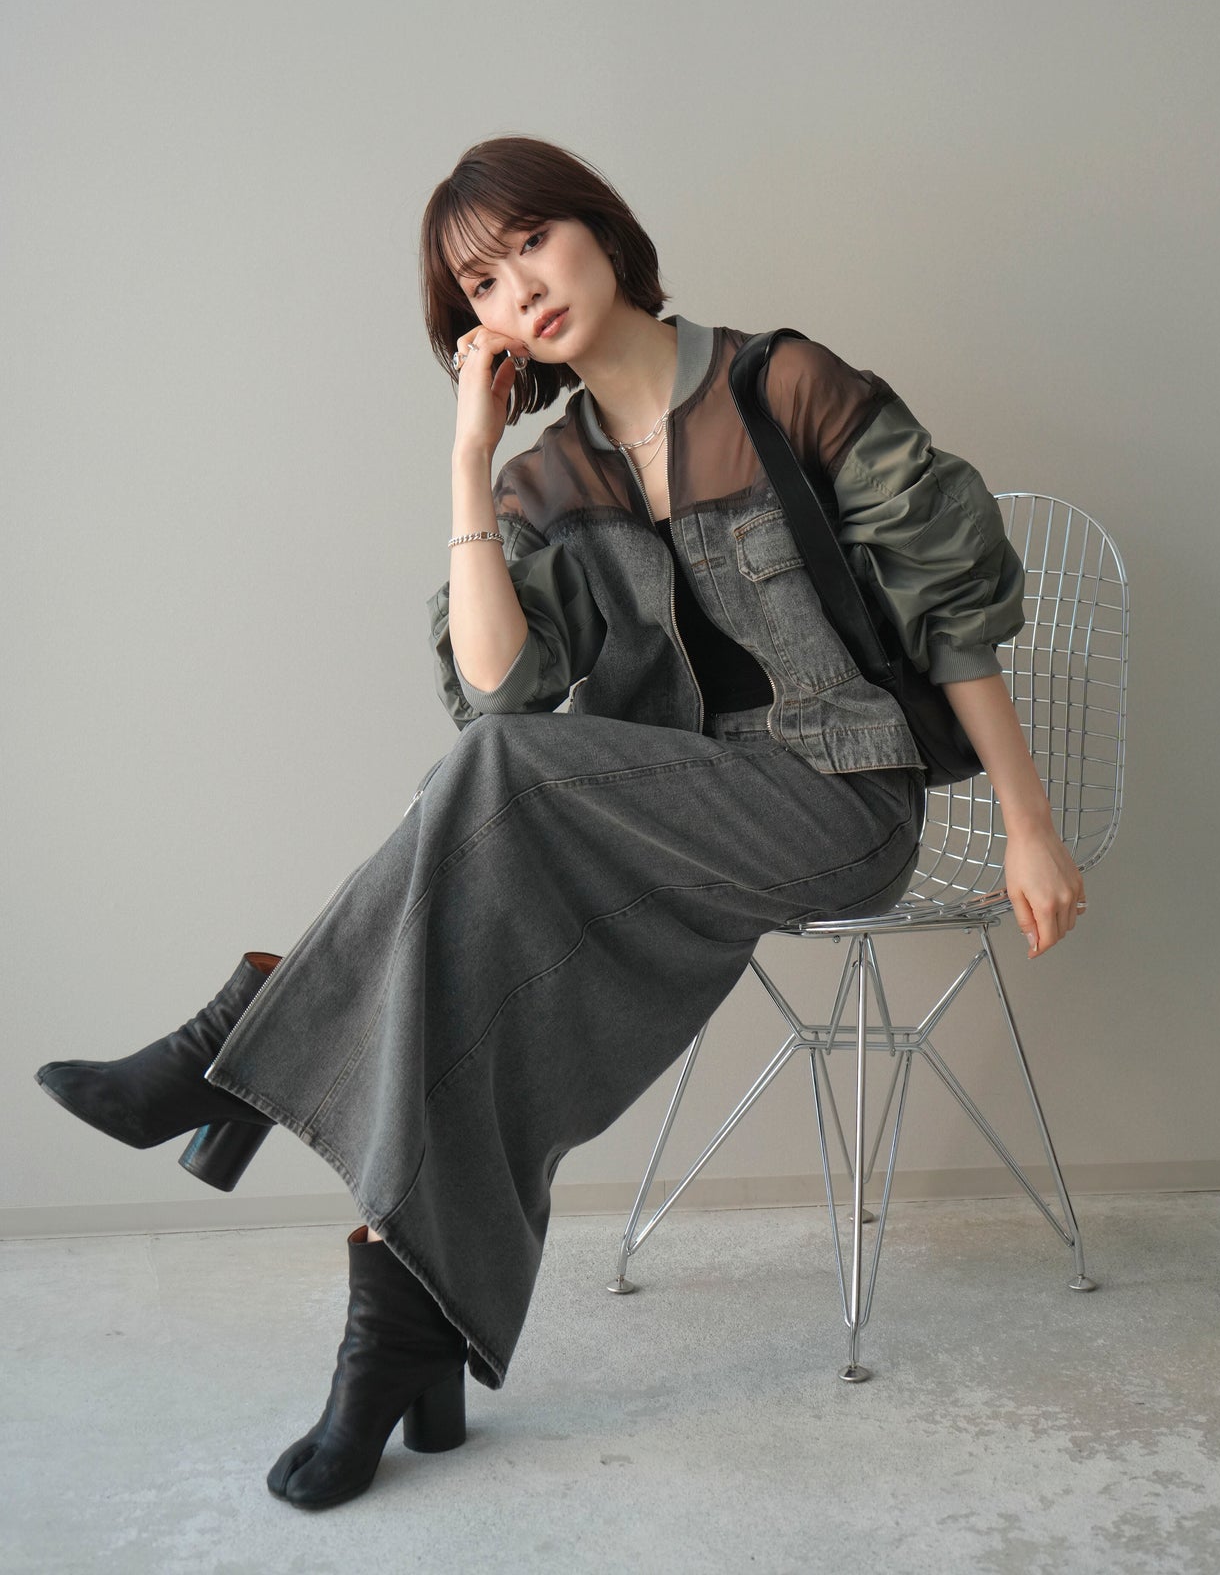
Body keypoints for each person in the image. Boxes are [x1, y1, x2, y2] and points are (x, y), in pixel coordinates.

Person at [34, 133, 1087, 1511]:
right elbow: (497, 689)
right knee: (463, 991)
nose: (519, 287)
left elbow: (951, 610)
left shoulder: (782, 384)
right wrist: (471, 456)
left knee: (498, 780)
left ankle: (240, 1041)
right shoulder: (549, 478)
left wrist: (1026, 823)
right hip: (650, 821)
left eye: (531, 242)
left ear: (602, 231)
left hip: (837, 801)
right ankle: (400, 1345)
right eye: (481, 282)